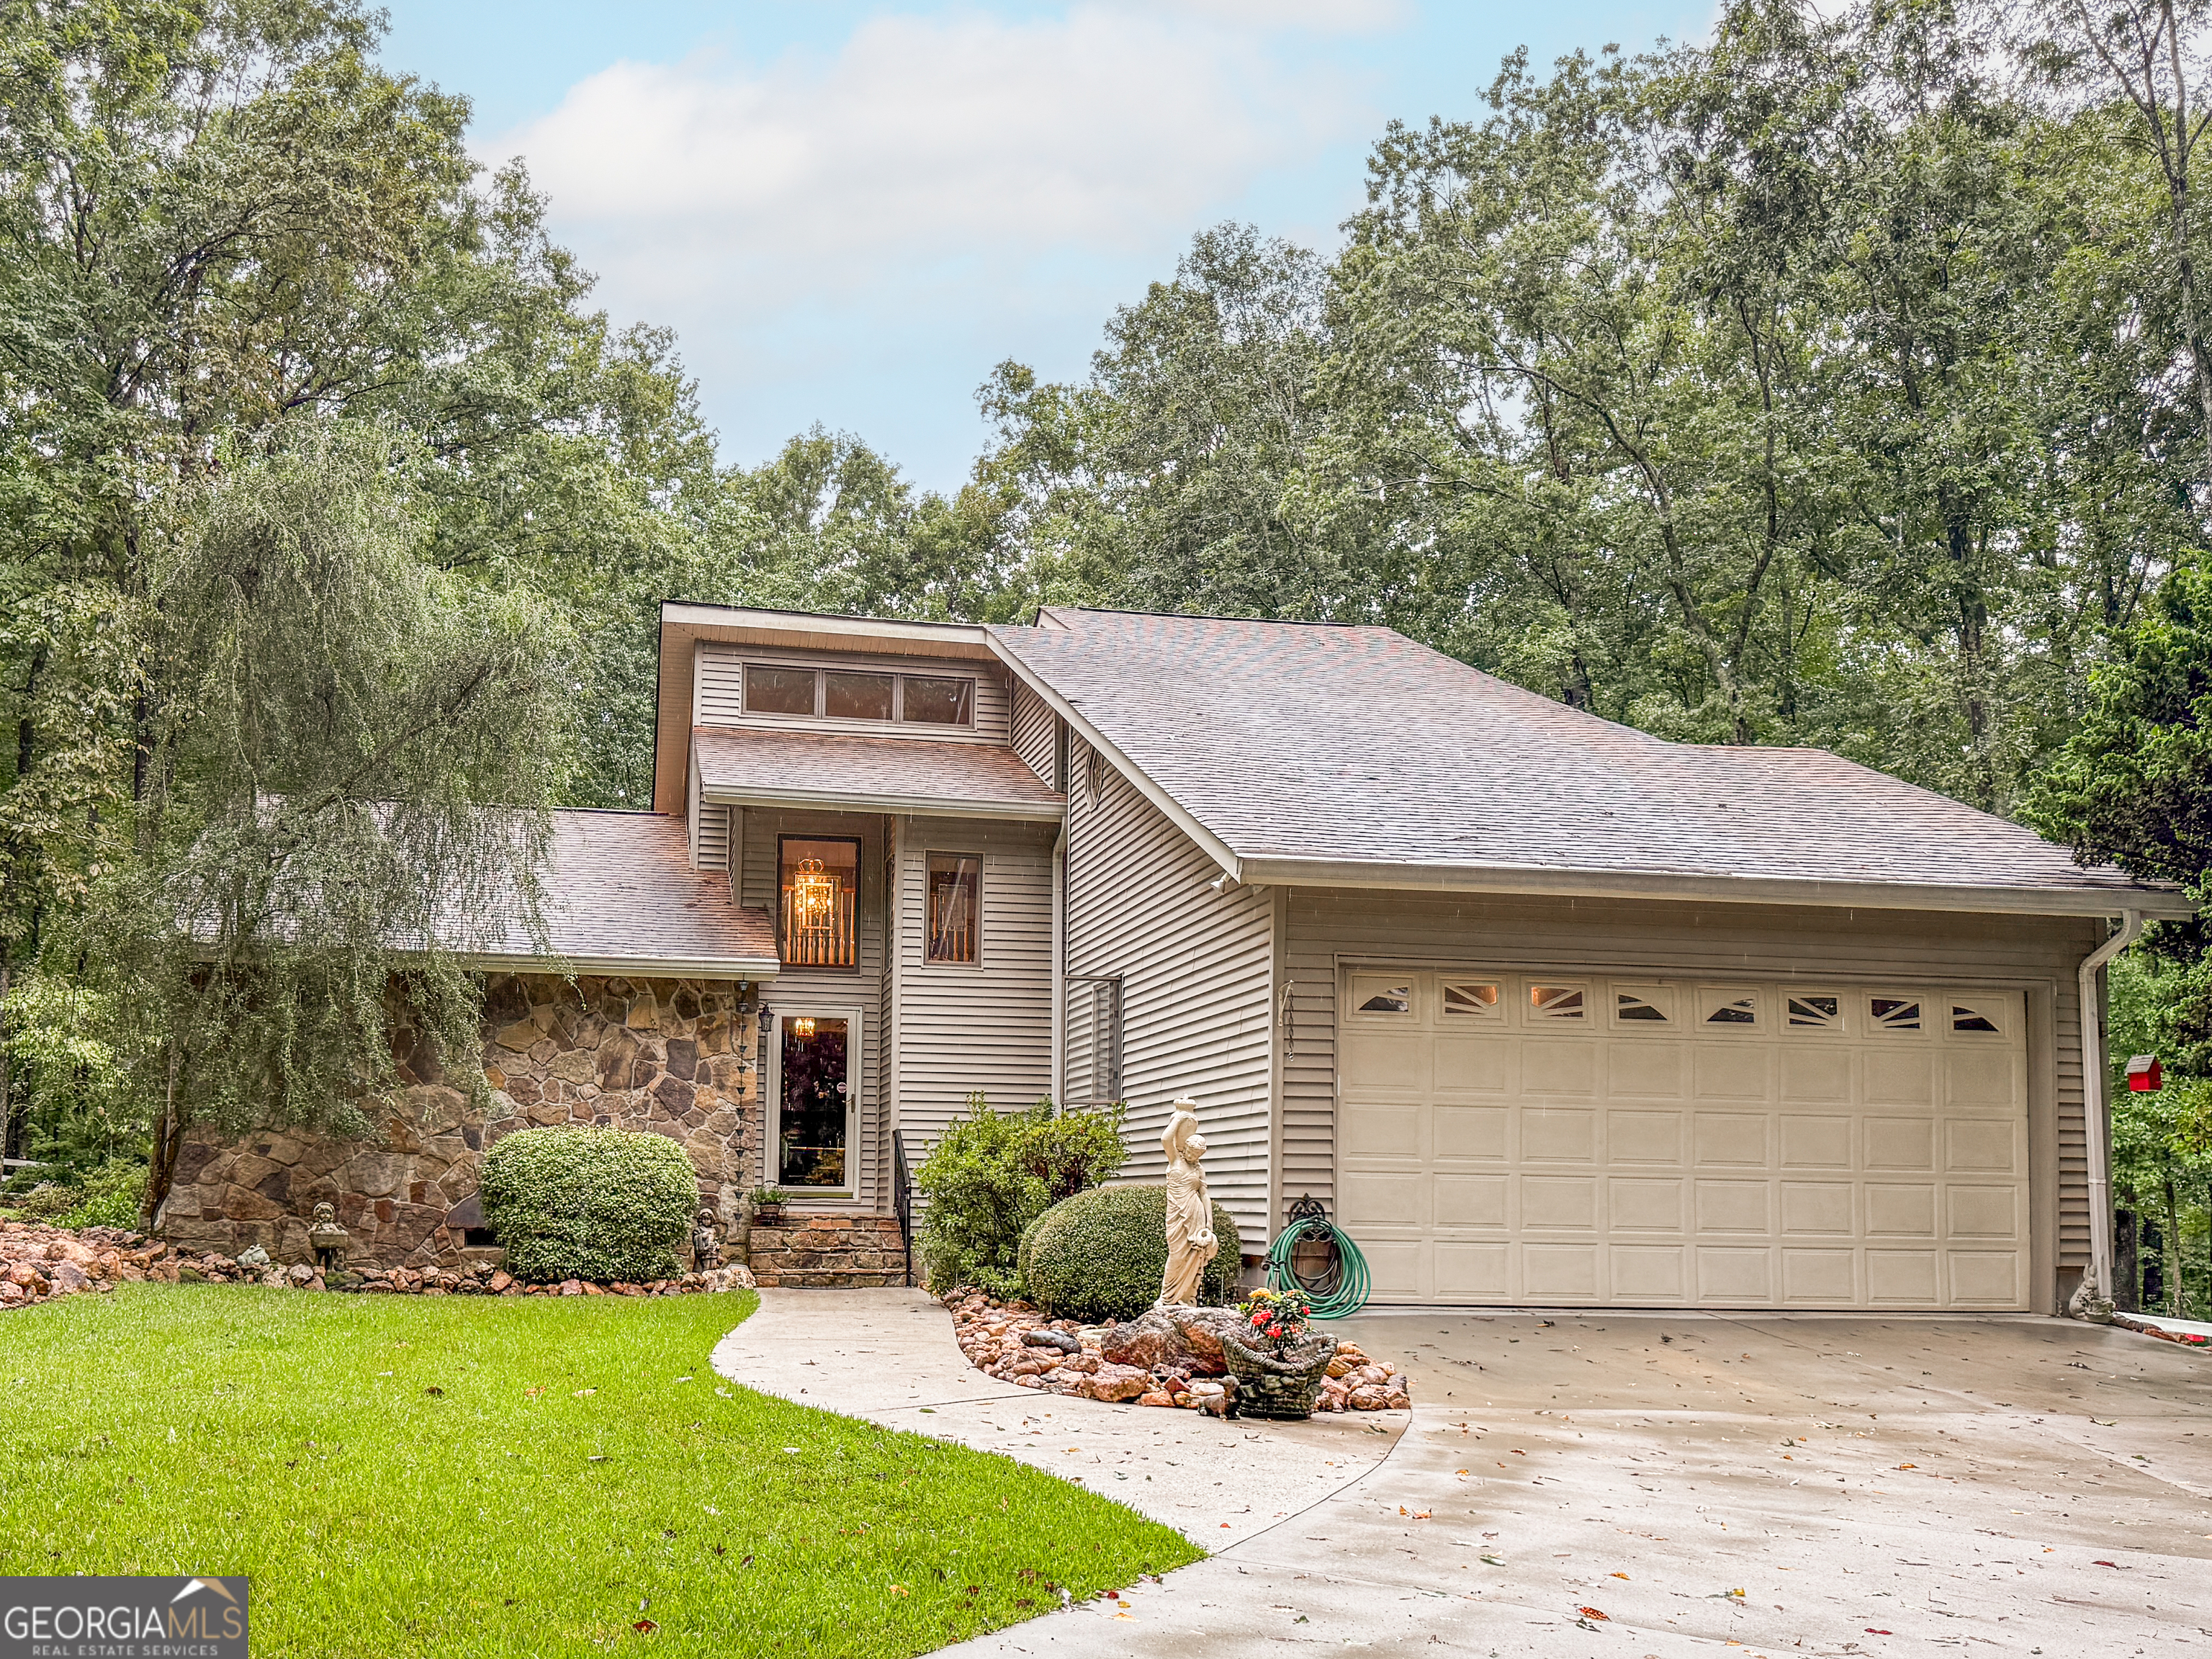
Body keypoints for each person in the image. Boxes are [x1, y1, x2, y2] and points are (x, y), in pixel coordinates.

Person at [1158, 1099, 1216, 1305]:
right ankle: (1167, 1298)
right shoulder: (1175, 1159)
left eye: (1197, 1154)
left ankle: (1187, 1297)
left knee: (1195, 1254)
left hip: (1196, 1214)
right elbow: (1166, 1139)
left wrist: (1209, 1223)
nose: (1192, 1156)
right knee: (1176, 1255)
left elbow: (1205, 1195)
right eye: (1190, 1151)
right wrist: (1180, 1118)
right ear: (1186, 1147)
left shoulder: (1199, 1169)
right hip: (1176, 1214)